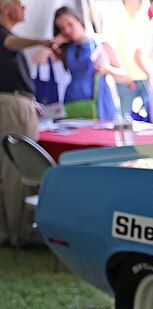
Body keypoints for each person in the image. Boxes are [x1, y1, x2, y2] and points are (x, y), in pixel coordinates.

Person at [0, 0, 52, 250]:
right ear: (4, 9)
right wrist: (40, 41)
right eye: (19, 3)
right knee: (18, 169)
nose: (24, 8)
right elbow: (10, 42)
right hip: (12, 106)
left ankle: (7, 230)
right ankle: (20, 232)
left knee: (9, 168)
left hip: (15, 103)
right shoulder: (4, 36)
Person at [52, 7, 125, 120]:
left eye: (70, 24)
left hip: (98, 101)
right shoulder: (66, 48)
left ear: (79, 20)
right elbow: (39, 58)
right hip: (72, 102)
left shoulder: (100, 44)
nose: (67, 30)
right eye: (62, 28)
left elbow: (125, 77)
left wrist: (106, 69)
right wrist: (55, 41)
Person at [103, 0, 151, 121]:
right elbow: (108, 46)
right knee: (126, 118)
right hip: (126, 80)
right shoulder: (114, 15)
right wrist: (122, 73)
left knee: (151, 117)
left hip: (146, 77)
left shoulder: (142, 15)